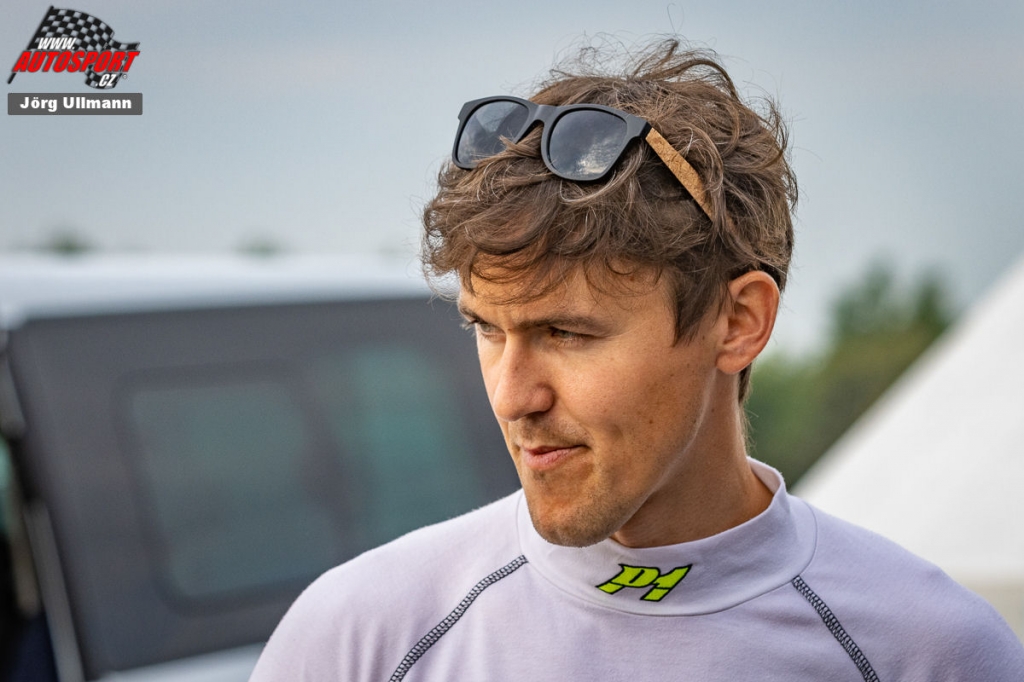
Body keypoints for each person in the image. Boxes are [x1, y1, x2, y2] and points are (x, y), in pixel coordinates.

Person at [250, 38, 1024, 681]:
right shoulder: (360, 637)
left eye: (567, 334)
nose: (513, 397)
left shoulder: (932, 653)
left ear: (738, 323)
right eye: (487, 329)